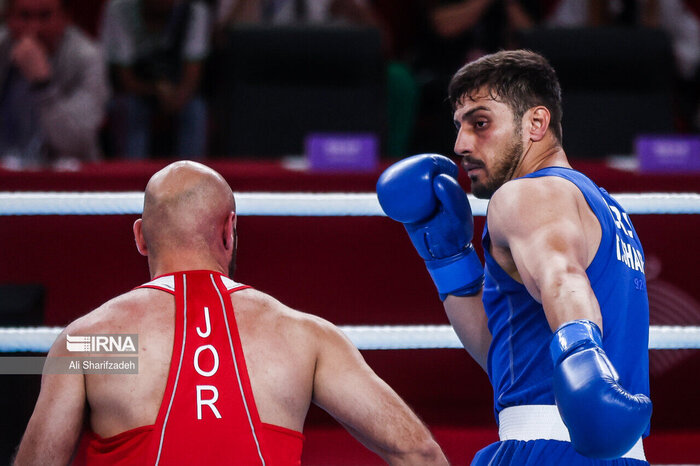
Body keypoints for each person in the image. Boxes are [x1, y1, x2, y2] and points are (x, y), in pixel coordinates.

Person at [15, 161, 449, 465]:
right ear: (229, 230)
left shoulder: (94, 342)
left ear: (141, 237)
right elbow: (419, 453)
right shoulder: (302, 336)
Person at [377, 50, 652, 464]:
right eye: (459, 126)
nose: (460, 145)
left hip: (546, 449)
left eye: (480, 123)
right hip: (619, 450)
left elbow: (562, 280)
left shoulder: (523, 194)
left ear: (536, 123)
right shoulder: (604, 207)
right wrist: (450, 262)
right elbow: (504, 353)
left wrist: (584, 362)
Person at [0, 0, 108, 169]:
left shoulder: (87, 57)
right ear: (8, 18)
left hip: (69, 179)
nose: (34, 27)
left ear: (66, 18)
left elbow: (76, 143)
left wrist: (43, 85)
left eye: (45, 16)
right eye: (24, 16)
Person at [101, 0, 211, 159]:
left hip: (177, 91)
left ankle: (190, 179)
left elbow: (192, 77)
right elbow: (125, 79)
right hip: (136, 92)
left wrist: (174, 99)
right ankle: (132, 178)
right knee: (129, 108)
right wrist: (156, 91)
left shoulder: (194, 10)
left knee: (196, 110)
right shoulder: (119, 7)